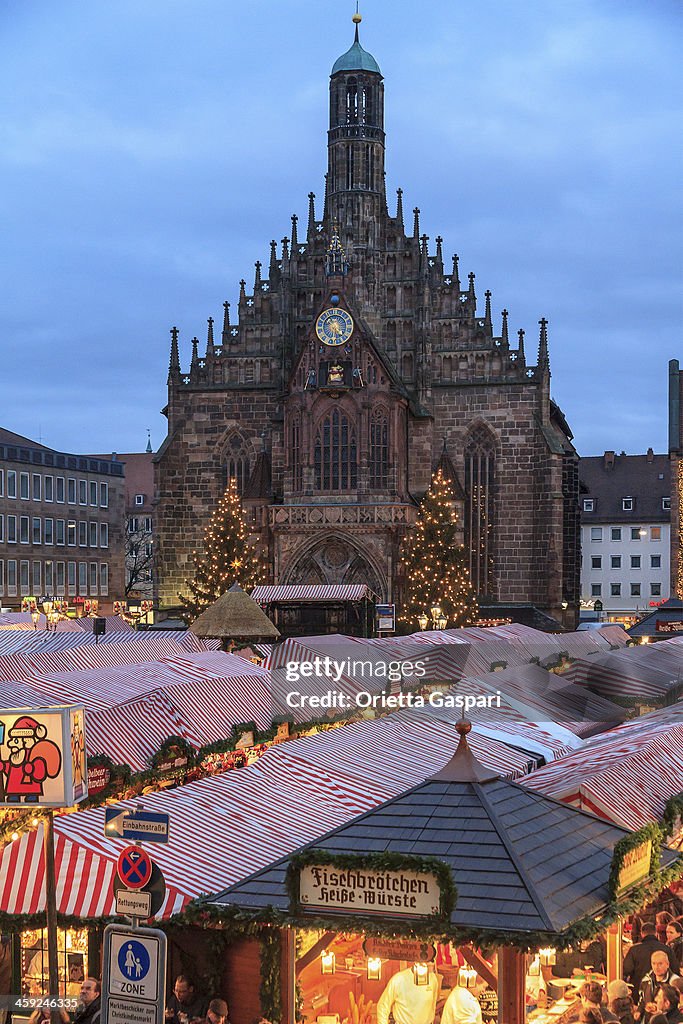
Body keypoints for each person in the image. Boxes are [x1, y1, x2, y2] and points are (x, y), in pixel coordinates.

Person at [624, 922, 674, 995]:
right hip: (663, 992)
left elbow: (626, 969)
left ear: (642, 934)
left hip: (638, 991)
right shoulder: (667, 949)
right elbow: (675, 969)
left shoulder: (634, 950)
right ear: (656, 933)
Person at [636, 952, 681, 1021]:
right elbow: (642, 1000)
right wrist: (639, 1011)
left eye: (660, 964)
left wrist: (661, 1012)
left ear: (667, 964)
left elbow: (678, 1006)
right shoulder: (645, 980)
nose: (656, 967)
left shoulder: (674, 981)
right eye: (654, 963)